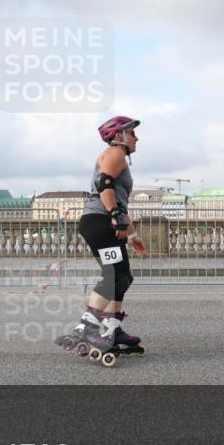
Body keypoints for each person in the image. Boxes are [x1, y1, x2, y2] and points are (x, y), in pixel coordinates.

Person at [58, 115, 147, 354]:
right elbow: (104, 184)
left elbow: (118, 200)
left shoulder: (118, 156)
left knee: (122, 276)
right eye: (132, 133)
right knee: (114, 276)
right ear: (119, 136)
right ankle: (87, 327)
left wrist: (131, 235)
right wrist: (116, 219)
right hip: (100, 223)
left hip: (102, 222)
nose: (136, 138)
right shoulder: (116, 152)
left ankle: (112, 328)